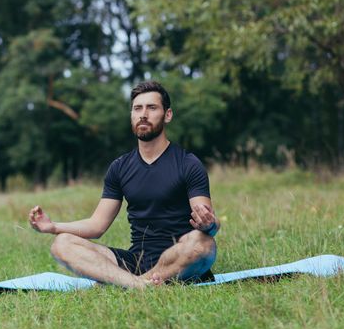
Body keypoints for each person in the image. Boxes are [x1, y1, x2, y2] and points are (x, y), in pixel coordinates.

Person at [29, 81, 220, 288]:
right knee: (62, 244)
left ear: (168, 115)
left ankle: (132, 283)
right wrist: (53, 226)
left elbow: (209, 224)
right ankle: (140, 284)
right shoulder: (119, 167)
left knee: (203, 244)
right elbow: (96, 225)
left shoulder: (188, 163)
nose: (143, 114)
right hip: (135, 260)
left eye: (152, 107)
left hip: (178, 255)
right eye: (138, 108)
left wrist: (209, 224)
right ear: (131, 115)